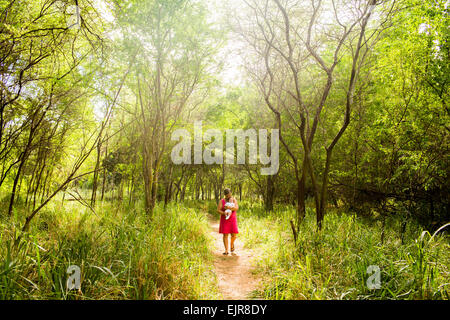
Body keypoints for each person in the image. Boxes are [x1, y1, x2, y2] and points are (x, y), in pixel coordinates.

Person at [217, 188, 239, 255]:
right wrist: (224, 213)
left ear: (231, 193)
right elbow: (218, 210)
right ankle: (226, 250)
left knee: (234, 235)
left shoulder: (234, 200)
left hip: (232, 219)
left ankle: (232, 244)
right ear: (225, 195)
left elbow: (236, 208)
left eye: (229, 195)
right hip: (225, 219)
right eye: (227, 195)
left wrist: (230, 208)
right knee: (225, 235)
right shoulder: (222, 201)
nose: (228, 196)